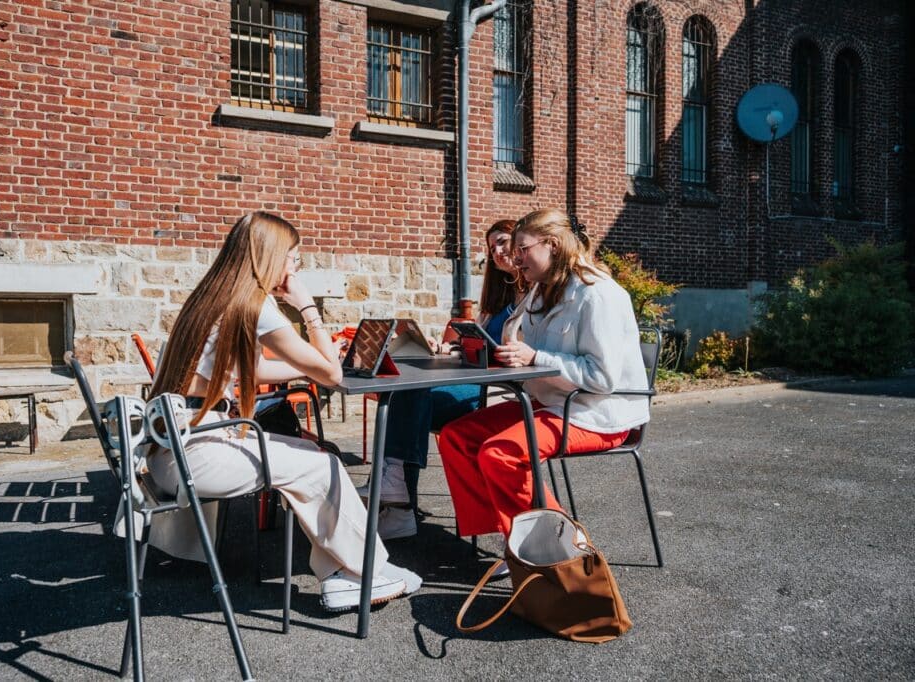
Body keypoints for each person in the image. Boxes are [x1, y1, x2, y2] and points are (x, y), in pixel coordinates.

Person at [145, 211, 420, 612]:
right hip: (196, 454)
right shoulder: (257, 306)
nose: (295, 267)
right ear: (270, 257)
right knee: (323, 464)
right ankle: (366, 575)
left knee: (312, 458)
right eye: (294, 258)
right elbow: (330, 375)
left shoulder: (212, 298)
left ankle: (342, 573)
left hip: (170, 448)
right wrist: (307, 307)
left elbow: (250, 370)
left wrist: (305, 362)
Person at [437, 208, 649, 541]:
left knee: (501, 453)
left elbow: (602, 378)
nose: (516, 259)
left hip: (597, 412)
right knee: (457, 436)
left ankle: (563, 549)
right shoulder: (540, 291)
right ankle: (509, 535)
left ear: (551, 244)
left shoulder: (598, 294)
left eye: (523, 249)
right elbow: (529, 356)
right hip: (551, 402)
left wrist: (534, 356)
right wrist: (491, 353)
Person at [362, 219, 525, 540]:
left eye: (504, 242)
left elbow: (516, 355)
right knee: (405, 394)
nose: (498, 251)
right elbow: (478, 347)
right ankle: (397, 501)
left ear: (522, 242)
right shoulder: (496, 301)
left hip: (500, 393)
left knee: (412, 397)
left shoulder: (533, 298)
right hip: (479, 382)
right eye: (493, 247)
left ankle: (398, 503)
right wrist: (449, 347)